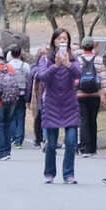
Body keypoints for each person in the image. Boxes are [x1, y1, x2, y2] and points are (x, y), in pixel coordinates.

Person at [36, 31, 82, 183]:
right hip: (52, 104)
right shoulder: (45, 59)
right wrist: (55, 65)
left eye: (65, 39)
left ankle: (68, 174)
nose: (62, 41)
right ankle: (49, 173)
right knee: (51, 142)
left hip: (70, 104)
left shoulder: (74, 59)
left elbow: (79, 74)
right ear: (53, 41)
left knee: (71, 141)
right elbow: (42, 77)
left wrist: (68, 64)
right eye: (59, 38)